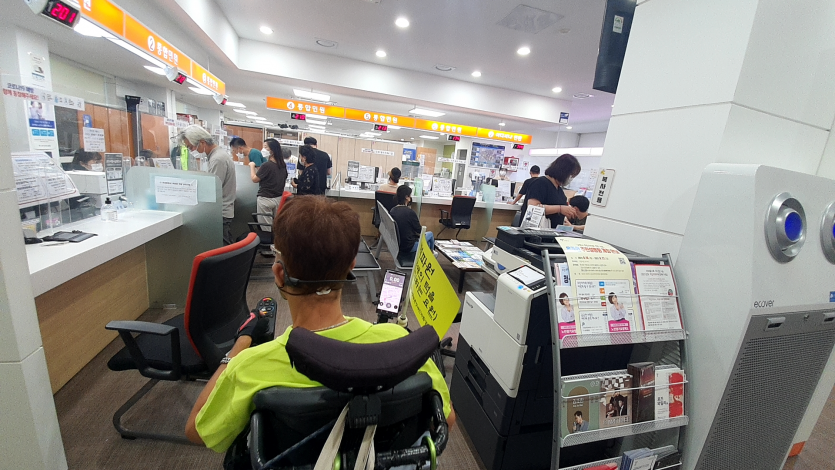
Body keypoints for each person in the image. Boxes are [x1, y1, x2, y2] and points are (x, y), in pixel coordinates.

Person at [184, 196, 453, 452]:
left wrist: (241, 344)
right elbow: (446, 421)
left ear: (279, 274)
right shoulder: (402, 345)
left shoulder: (250, 366)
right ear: (351, 266)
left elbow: (197, 430)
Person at [182, 125, 236, 245]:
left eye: (191, 147)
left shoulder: (217, 159)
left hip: (220, 213)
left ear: (202, 142)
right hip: (221, 212)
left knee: (222, 249)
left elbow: (212, 190)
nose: (191, 151)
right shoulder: (217, 156)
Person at [519, 154, 581, 228]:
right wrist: (560, 208)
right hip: (536, 232)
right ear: (564, 172)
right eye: (571, 175)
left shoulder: (559, 190)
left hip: (552, 231)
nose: (571, 178)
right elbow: (533, 207)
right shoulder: (540, 183)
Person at [249, 138, 288, 232]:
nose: (263, 149)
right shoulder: (282, 165)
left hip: (265, 199)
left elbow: (254, 179)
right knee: (275, 226)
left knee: (266, 229)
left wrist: (252, 166)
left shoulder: (267, 165)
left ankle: (269, 242)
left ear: (272, 150)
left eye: (265, 147)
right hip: (278, 199)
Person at [390, 185, 434, 253]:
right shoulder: (410, 212)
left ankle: (429, 254)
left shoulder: (393, 210)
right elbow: (419, 230)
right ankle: (431, 254)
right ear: (407, 197)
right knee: (430, 234)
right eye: (410, 195)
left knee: (427, 242)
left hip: (398, 244)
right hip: (409, 246)